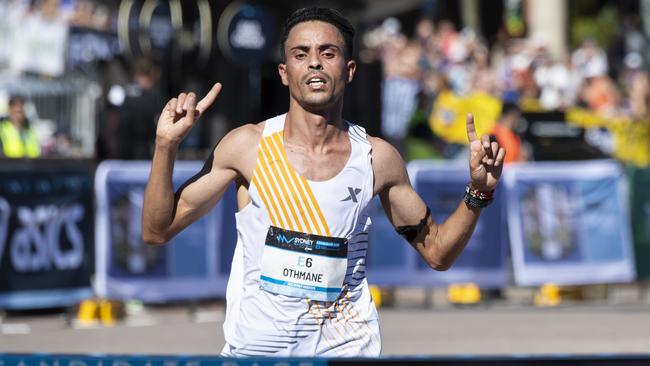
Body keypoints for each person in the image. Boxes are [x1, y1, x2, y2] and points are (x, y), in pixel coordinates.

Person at [141, 7, 505, 357]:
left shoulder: (377, 158)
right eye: (301, 54)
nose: (314, 62)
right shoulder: (246, 147)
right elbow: (157, 230)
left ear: (349, 70)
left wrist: (479, 191)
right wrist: (165, 145)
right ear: (284, 72)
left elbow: (438, 253)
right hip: (257, 353)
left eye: (327, 52)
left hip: (345, 349)